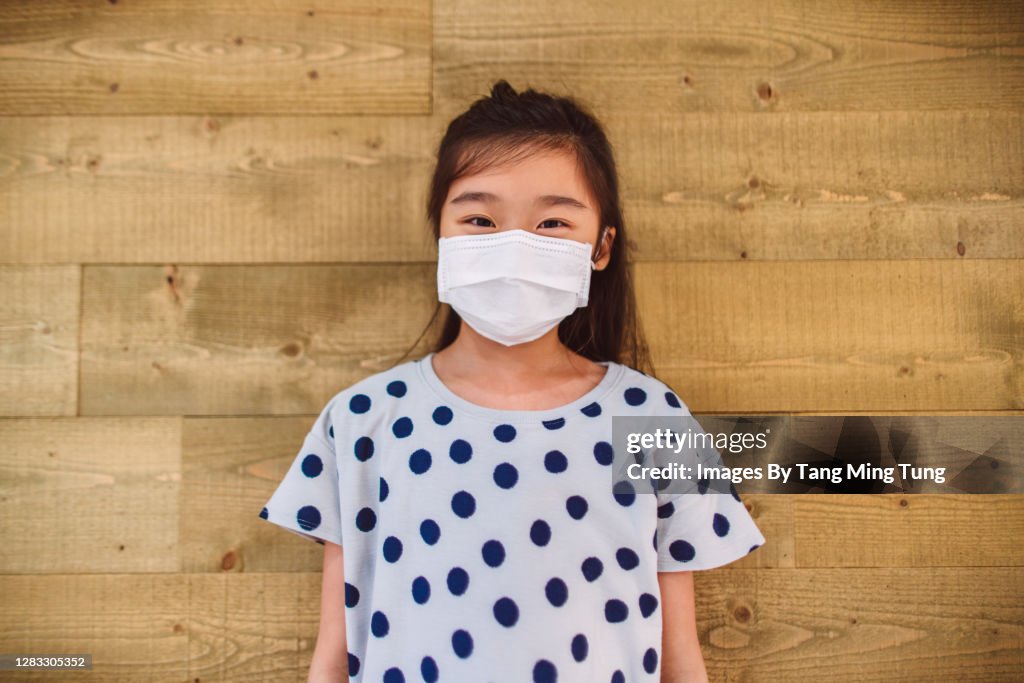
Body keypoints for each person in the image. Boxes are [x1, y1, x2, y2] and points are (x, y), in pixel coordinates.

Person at [259, 79, 766, 683]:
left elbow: (681, 649)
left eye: (552, 223)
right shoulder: (362, 420)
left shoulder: (650, 416)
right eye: (480, 218)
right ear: (442, 234)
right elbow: (334, 653)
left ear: (601, 246)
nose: (514, 247)